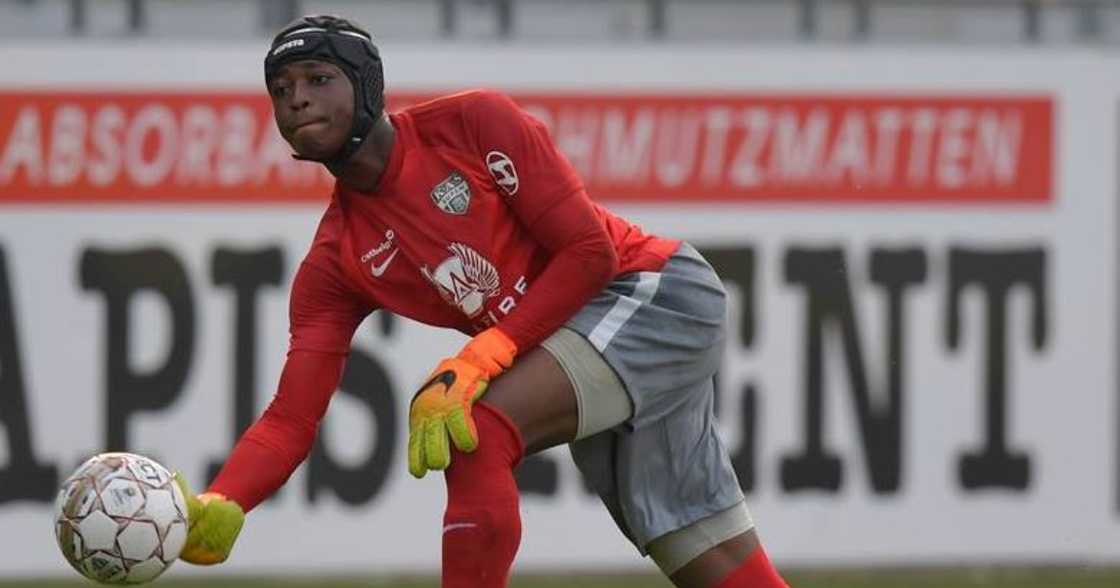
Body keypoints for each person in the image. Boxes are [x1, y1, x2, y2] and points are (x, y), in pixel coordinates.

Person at [173, 14, 792, 588]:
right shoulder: (335, 261)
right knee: (704, 555)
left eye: (318, 78)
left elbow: (588, 253)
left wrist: (485, 354)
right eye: (280, 89)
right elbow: (290, 419)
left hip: (653, 294)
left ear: (366, 85)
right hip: (578, 343)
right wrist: (225, 501)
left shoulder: (473, 123)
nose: (296, 97)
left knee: (472, 425)